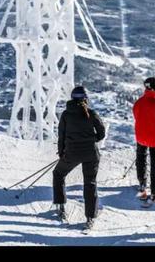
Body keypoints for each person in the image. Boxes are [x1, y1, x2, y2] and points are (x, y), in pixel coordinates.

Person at [53, 86, 106, 229]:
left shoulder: (65, 115)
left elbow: (61, 136)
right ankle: (90, 217)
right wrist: (91, 139)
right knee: (90, 183)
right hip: (91, 154)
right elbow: (101, 133)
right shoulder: (91, 113)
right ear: (85, 98)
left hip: (72, 153)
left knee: (58, 174)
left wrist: (61, 152)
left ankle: (61, 206)